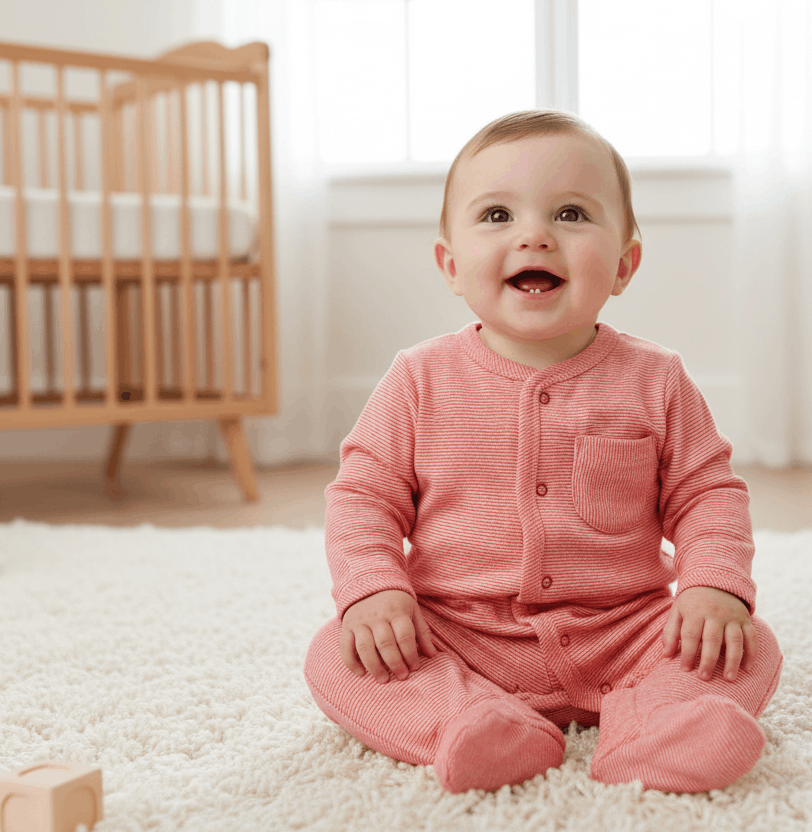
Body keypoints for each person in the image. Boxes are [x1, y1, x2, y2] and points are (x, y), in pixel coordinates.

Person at [304, 110, 783, 794]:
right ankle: (469, 724)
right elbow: (362, 499)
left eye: (570, 213)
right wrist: (373, 592)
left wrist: (711, 587)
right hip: (460, 634)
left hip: (623, 633)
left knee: (746, 645)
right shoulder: (418, 379)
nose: (535, 235)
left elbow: (707, 494)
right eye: (497, 215)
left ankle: (653, 724)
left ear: (623, 265)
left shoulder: (657, 379)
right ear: (451, 265)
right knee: (338, 655)